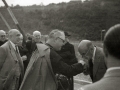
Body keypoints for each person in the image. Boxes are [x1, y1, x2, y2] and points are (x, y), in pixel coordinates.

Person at [19, 29, 85, 90]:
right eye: (63, 41)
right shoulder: (50, 53)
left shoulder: (40, 49)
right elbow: (68, 70)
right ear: (56, 39)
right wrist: (81, 64)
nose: (63, 44)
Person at [80, 24, 120, 90]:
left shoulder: (103, 54)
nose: (82, 57)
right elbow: (89, 72)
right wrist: (84, 67)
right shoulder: (89, 57)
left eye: (84, 54)